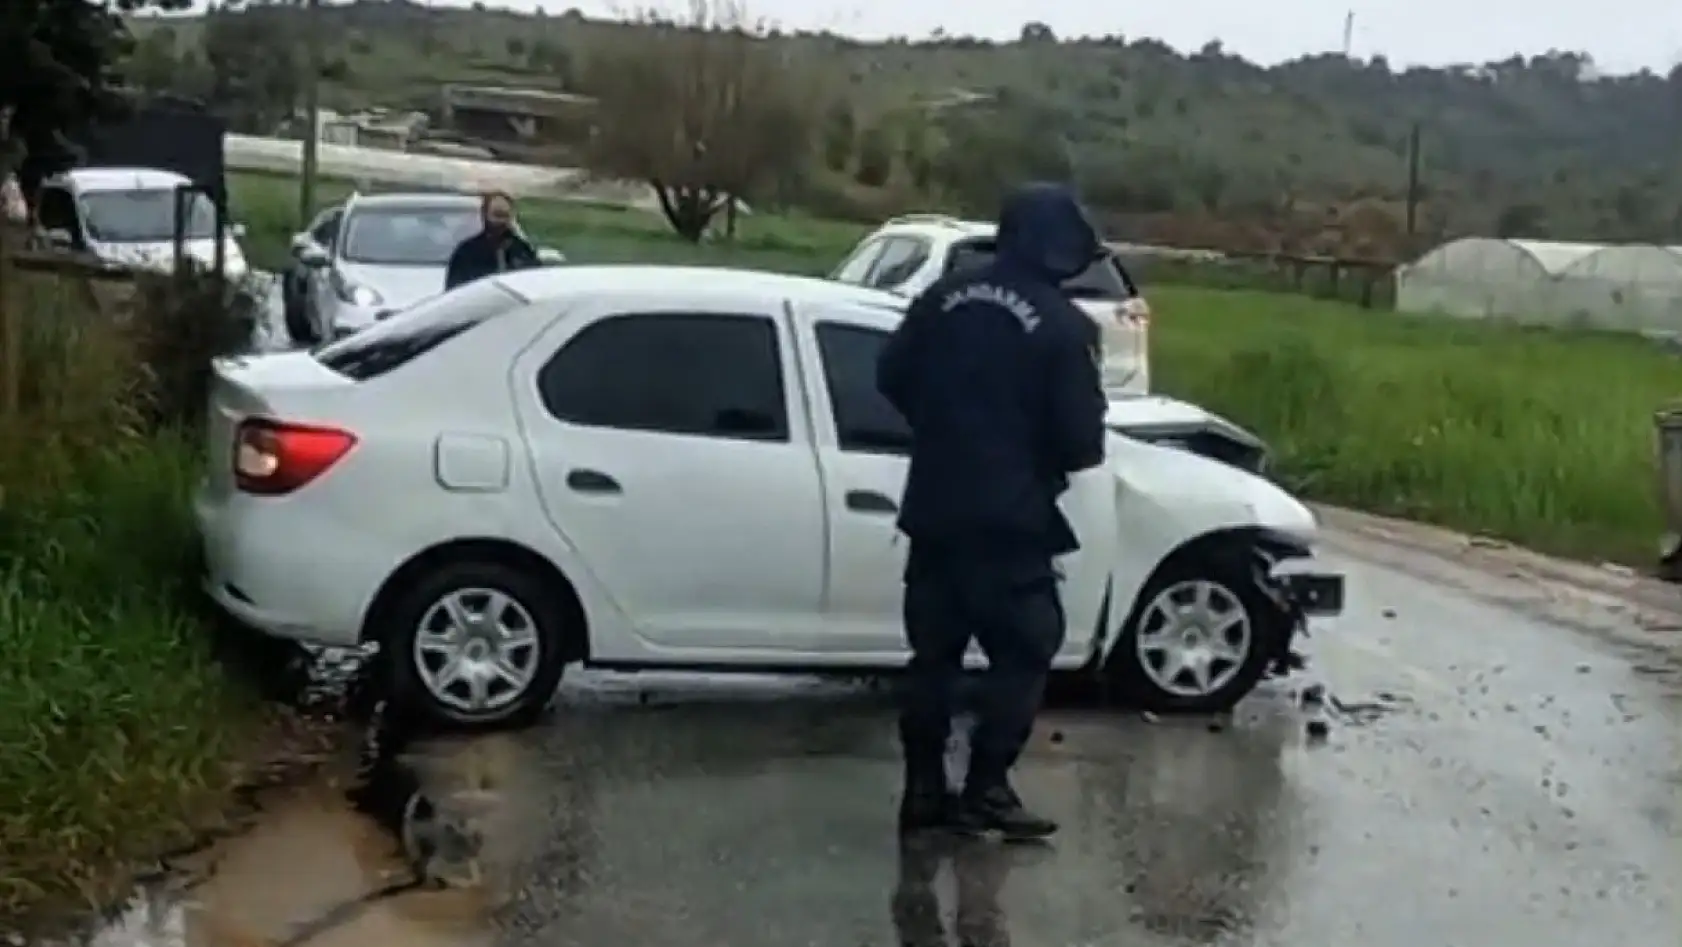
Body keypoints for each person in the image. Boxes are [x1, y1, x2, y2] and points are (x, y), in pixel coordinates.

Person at [877, 182, 1108, 840]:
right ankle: (987, 788)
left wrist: (941, 426)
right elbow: (1081, 443)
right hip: (1010, 522)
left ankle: (923, 792)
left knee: (933, 659)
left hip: (934, 509)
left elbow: (890, 373)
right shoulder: (1064, 327)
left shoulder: (941, 297)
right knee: (1026, 647)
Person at [444, 190, 540, 291]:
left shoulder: (523, 251)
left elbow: (535, 286)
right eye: (497, 215)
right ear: (485, 215)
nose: (501, 221)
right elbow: (453, 294)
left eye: (505, 215)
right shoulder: (467, 253)